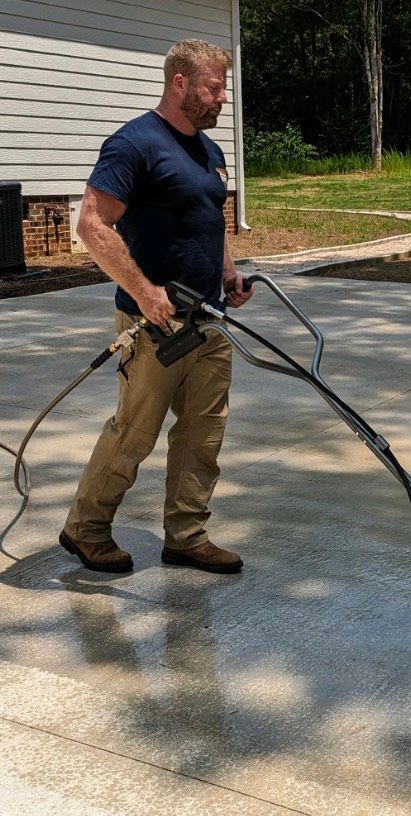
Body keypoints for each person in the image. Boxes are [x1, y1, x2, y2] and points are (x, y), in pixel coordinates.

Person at [59, 39, 252, 574]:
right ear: (181, 84)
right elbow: (92, 224)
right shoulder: (134, 144)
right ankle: (86, 528)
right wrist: (145, 291)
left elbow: (207, 222)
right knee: (134, 434)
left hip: (208, 321)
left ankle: (186, 534)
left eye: (224, 88)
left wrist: (228, 272)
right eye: (214, 88)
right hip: (153, 325)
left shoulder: (209, 152)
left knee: (202, 435)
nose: (221, 99)